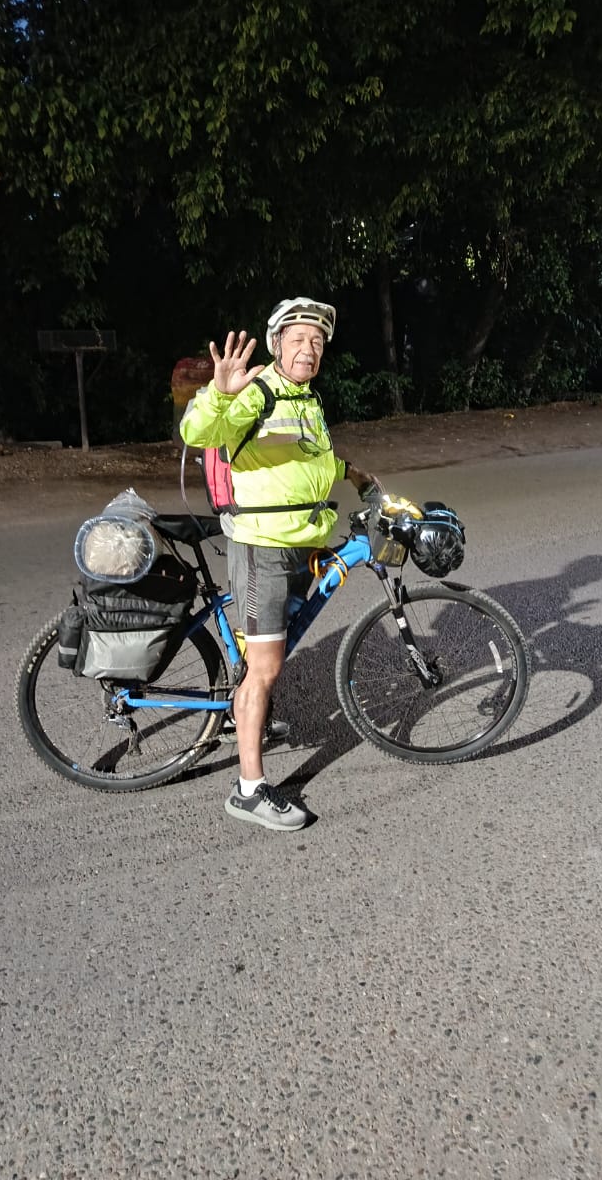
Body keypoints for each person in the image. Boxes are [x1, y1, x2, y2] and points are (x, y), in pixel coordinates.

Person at [179, 298, 380, 832]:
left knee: (266, 660)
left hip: (298, 543)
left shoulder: (305, 399)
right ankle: (248, 791)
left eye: (316, 342)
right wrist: (219, 392)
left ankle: (251, 709)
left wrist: (355, 475)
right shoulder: (258, 392)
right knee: (265, 668)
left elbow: (314, 456)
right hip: (264, 548)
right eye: (297, 339)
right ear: (276, 345)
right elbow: (200, 432)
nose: (308, 349)